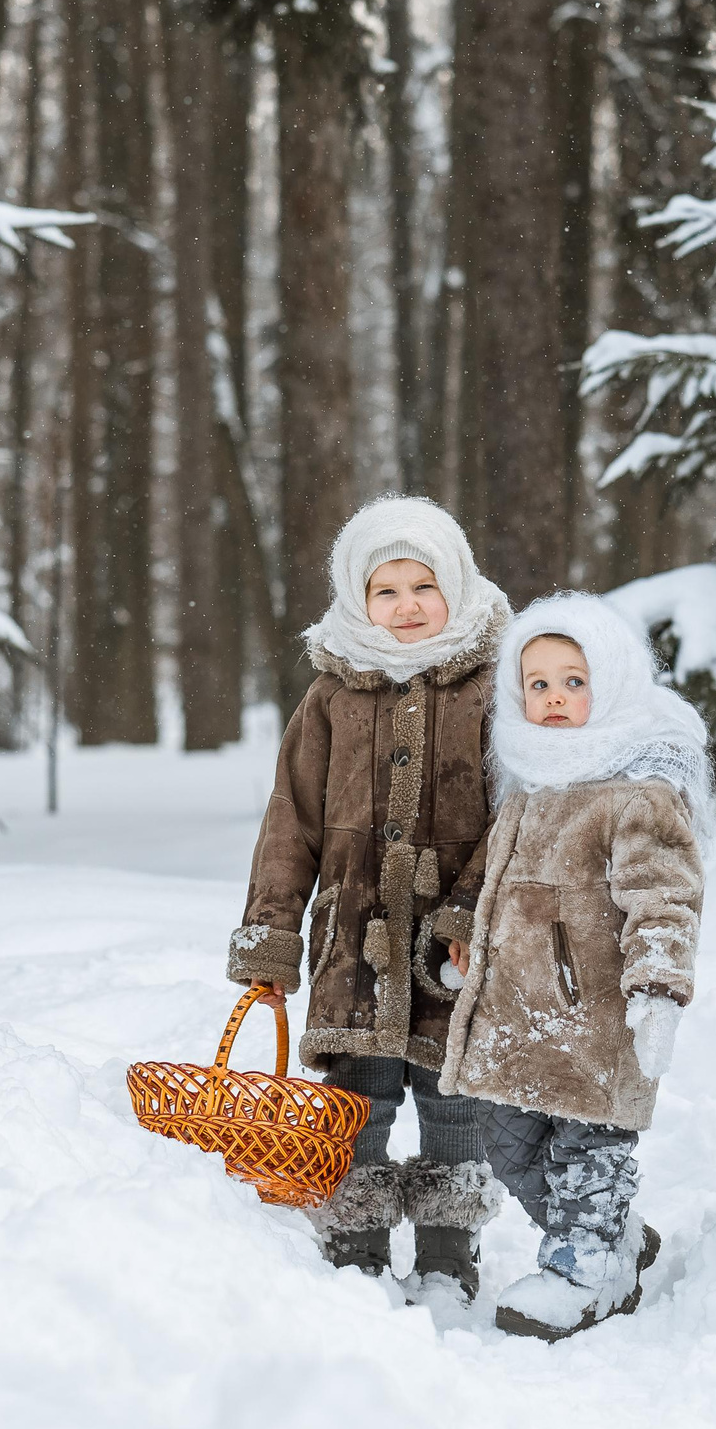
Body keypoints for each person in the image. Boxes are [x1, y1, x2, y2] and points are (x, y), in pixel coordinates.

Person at [223, 496, 511, 1299]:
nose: (407, 605)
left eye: (424, 585)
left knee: (453, 1097)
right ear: (357, 596)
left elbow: (517, 815)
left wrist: (468, 911)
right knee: (356, 1098)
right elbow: (291, 823)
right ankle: (356, 1250)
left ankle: (449, 1252)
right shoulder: (332, 696)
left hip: (453, 944)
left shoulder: (492, 690)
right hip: (354, 939)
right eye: (386, 590)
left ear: (456, 583)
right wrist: (271, 936)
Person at [430, 593, 708, 1340]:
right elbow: (492, 879)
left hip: (596, 1022)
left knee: (588, 1154)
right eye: (538, 684)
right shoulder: (528, 784)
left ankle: (585, 1268)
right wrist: (468, 935)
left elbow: (665, 896)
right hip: (517, 1020)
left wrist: (658, 988)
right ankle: (615, 1237)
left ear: (611, 684)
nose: (553, 698)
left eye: (574, 682)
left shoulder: (637, 794)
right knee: (509, 1148)